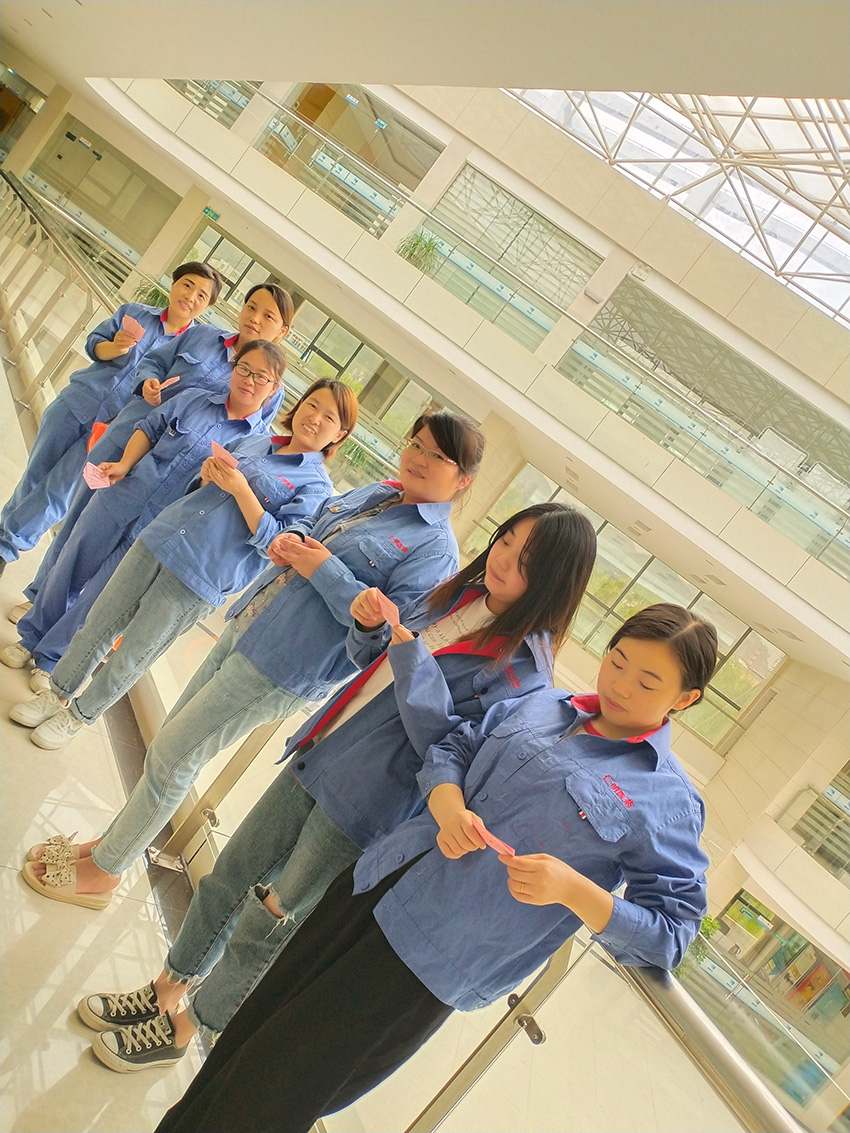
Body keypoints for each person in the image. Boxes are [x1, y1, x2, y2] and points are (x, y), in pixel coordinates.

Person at [152, 603, 718, 1133]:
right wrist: (448, 802)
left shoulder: (668, 803)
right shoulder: (548, 705)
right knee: (247, 1037)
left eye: (648, 682)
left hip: (429, 960)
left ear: (685, 699)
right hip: (373, 886)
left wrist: (574, 891)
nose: (621, 685)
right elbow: (455, 747)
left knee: (272, 1094)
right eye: (618, 661)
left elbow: (671, 934)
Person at [74, 502, 598, 1071]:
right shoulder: (457, 597)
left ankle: (191, 1025)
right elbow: (372, 663)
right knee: (231, 875)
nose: (504, 559)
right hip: (325, 749)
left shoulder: (524, 674)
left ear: (553, 581)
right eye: (507, 539)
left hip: (368, 801)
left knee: (274, 914)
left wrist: (408, 657)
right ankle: (166, 987)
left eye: (526, 560)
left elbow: (448, 747)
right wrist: (370, 629)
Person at [21, 411, 485, 910]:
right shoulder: (379, 494)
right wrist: (293, 540)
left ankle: (106, 870)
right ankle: (111, 846)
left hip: (284, 666)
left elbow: (377, 645)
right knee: (170, 746)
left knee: (175, 757)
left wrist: (322, 568)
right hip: (252, 623)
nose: (419, 458)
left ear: (463, 479)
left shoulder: (434, 552)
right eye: (416, 444)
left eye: (438, 456)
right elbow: (313, 526)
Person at [9, 378, 358, 750]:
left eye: (329, 418)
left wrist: (241, 489)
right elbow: (200, 487)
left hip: (200, 575)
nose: (315, 418)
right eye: (312, 405)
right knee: (98, 622)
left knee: (134, 653)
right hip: (162, 537)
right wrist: (207, 476)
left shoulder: (316, 488)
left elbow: (278, 546)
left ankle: (78, 717)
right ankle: (56, 693)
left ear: (340, 434)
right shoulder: (259, 441)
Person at [12, 282, 294, 666]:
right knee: (78, 526)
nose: (255, 319)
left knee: (113, 571)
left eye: (268, 316)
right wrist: (146, 382)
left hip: (174, 479)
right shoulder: (202, 337)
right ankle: (39, 603)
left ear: (282, 331)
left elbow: (247, 430)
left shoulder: (266, 393)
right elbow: (153, 362)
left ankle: (57, 642)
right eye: (252, 307)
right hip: (129, 436)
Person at [0, 261, 221, 575]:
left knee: (60, 491)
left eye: (202, 295)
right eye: (188, 285)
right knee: (34, 475)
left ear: (207, 306)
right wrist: (113, 347)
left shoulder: (194, 346)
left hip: (111, 429)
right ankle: (4, 536)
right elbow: (94, 343)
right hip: (76, 402)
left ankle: (7, 548)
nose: (191, 296)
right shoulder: (136, 312)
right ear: (174, 284)